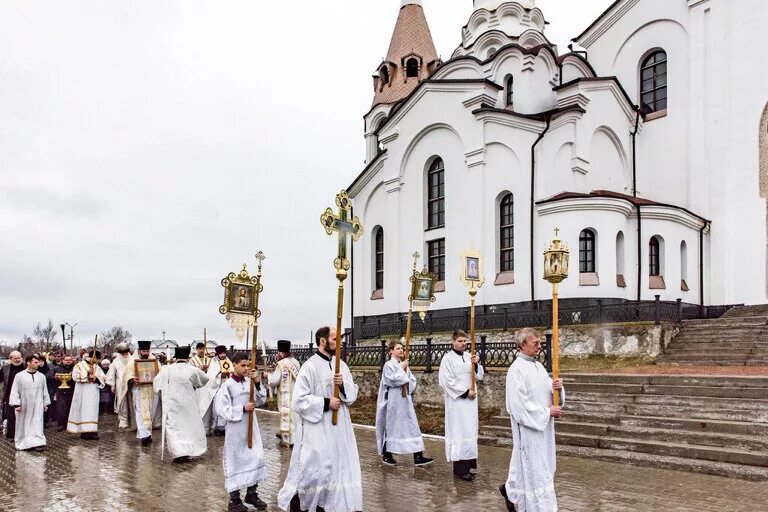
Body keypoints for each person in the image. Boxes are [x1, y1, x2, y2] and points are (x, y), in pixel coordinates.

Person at [277, 326, 362, 512]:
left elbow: (352, 395)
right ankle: (302, 504)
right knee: (313, 469)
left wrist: (343, 386)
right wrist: (325, 403)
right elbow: (298, 401)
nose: (339, 343)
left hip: (340, 427)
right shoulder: (310, 367)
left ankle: (331, 505)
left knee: (337, 468)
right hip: (317, 427)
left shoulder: (342, 365)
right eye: (334, 339)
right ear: (323, 341)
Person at [500, 328, 564, 512]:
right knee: (533, 470)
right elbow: (518, 406)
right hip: (529, 429)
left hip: (544, 429)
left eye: (539, 342)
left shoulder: (539, 366)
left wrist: (557, 389)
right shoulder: (516, 370)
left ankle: (513, 491)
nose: (539, 346)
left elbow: (548, 394)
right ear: (522, 345)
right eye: (535, 343)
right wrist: (546, 412)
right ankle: (534, 506)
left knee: (542, 468)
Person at [216, 352, 268, 511]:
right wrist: (242, 408)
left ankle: (251, 494)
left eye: (247, 365)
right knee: (236, 461)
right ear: (234, 365)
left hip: (252, 428)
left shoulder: (249, 382)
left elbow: (260, 400)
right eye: (242, 365)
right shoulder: (227, 386)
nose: (246, 368)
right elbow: (221, 409)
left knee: (256, 457)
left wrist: (257, 383)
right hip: (236, 430)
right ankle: (234, 500)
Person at [375, 339, 433, 467]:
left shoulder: (404, 364)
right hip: (394, 401)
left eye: (402, 348)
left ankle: (418, 455)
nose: (401, 350)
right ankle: (387, 454)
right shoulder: (388, 365)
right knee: (393, 426)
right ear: (391, 351)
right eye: (397, 348)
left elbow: (411, 380)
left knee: (412, 425)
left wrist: (407, 380)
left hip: (405, 400)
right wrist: (401, 369)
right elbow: (391, 380)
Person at [438, 329, 484, 481]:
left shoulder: (468, 357)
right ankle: (459, 470)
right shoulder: (448, 359)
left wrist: (476, 364)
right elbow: (446, 381)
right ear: (453, 342)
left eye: (465, 341)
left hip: (470, 404)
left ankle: (469, 466)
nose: (463, 344)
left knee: (469, 431)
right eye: (460, 341)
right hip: (457, 402)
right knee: (459, 431)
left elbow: (478, 376)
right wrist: (465, 392)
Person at [154, 345, 209, 463]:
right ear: (188, 357)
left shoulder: (166, 369)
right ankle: (189, 450)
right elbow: (204, 379)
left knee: (173, 428)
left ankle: (178, 453)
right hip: (188, 404)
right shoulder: (192, 369)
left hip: (171, 404)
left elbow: (156, 385)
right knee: (188, 427)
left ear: (175, 357)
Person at [123, 341, 161, 446]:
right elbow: (127, 376)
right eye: (144, 351)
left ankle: (148, 434)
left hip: (152, 390)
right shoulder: (133, 362)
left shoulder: (155, 362)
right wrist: (133, 379)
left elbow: (160, 374)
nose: (145, 353)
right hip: (139, 391)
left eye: (147, 351)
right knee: (140, 413)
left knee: (151, 412)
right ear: (140, 350)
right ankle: (144, 435)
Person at [8, 354, 50, 451]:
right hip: (24, 405)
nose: (38, 364)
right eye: (35, 362)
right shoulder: (19, 376)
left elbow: (45, 390)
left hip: (38, 404)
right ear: (28, 363)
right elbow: (15, 390)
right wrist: (16, 404)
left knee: (37, 422)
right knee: (24, 423)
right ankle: (25, 443)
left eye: (38, 362)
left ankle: (38, 442)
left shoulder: (41, 376)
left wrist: (45, 403)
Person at [267, 339, 300, 447]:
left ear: (281, 353)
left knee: (287, 416)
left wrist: (267, 376)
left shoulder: (281, 364)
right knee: (295, 417)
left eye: (278, 353)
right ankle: (296, 438)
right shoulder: (295, 362)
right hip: (295, 393)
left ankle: (289, 440)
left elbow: (274, 381)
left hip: (286, 396)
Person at [67, 350, 106, 440]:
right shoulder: (79, 365)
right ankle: (83, 431)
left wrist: (96, 378)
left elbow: (104, 377)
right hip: (82, 392)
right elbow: (74, 376)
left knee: (92, 410)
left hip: (93, 392)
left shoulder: (97, 367)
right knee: (83, 410)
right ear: (92, 357)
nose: (96, 361)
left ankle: (92, 431)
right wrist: (87, 375)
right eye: (96, 359)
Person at [198, 345, 232, 436]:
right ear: (218, 354)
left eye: (224, 353)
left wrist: (228, 374)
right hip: (215, 388)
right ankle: (215, 426)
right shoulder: (214, 361)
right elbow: (211, 376)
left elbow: (232, 372)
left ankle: (223, 427)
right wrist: (220, 375)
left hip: (225, 387)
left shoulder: (228, 361)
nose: (222, 355)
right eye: (220, 353)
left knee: (224, 406)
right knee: (215, 408)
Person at [105, 343, 133, 429]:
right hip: (120, 384)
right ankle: (123, 420)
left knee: (132, 402)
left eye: (126, 352)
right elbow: (111, 374)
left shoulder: (133, 360)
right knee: (122, 402)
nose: (124, 354)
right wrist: (112, 385)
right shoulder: (115, 361)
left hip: (132, 384)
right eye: (122, 353)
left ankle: (133, 421)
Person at [48, 355, 75, 431]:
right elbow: (49, 378)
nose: (68, 361)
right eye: (66, 360)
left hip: (72, 390)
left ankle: (70, 424)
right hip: (60, 390)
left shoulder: (75, 368)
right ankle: (61, 424)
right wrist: (55, 377)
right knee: (61, 408)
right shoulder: (56, 369)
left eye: (70, 360)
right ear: (62, 360)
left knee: (71, 408)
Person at [1, 351, 24, 440]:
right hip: (9, 395)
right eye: (16, 358)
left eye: (19, 357)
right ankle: (11, 434)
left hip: (23, 394)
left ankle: (23, 434)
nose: (18, 360)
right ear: (10, 359)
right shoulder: (5, 368)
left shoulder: (25, 366)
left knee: (23, 415)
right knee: (11, 415)